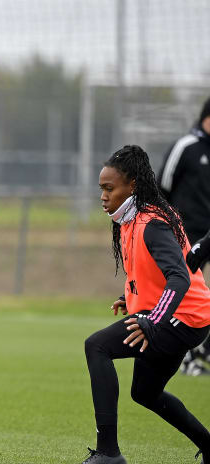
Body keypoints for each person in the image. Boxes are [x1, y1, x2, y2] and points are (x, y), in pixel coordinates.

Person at [83, 145, 210, 464]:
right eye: (101, 189)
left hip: (178, 318)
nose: (103, 195)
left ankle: (108, 453)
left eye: (109, 188)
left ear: (133, 186)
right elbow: (151, 271)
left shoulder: (150, 223)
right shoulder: (131, 219)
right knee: (144, 392)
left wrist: (153, 321)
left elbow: (179, 277)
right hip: (182, 317)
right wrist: (130, 296)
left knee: (97, 346)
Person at [157, 96, 210, 375]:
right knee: (186, 297)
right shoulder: (186, 147)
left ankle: (204, 350)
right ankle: (186, 359)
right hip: (187, 238)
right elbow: (161, 189)